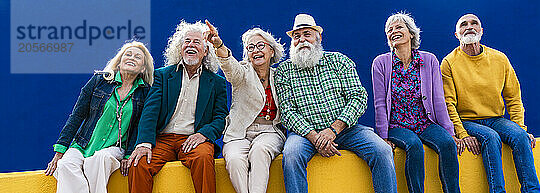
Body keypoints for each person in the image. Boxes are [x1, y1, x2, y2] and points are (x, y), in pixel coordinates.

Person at [276, 13, 397, 193]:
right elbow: (287, 111)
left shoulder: (339, 61)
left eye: (307, 34)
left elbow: (358, 97)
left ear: (319, 37)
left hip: (346, 129)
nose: (302, 40)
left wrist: (333, 130)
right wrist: (316, 137)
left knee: (382, 151)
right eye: (296, 36)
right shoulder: (284, 71)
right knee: (292, 155)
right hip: (305, 135)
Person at [440, 13, 540, 193]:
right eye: (463, 24)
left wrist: (519, 127)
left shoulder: (499, 59)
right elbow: (448, 104)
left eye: (474, 23)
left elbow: (514, 97)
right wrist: (462, 133)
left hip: (496, 118)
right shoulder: (448, 63)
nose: (469, 27)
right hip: (467, 120)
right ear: (456, 34)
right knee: (491, 138)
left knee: (521, 137)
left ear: (481, 31)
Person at [126, 20, 228, 193]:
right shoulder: (162, 75)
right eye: (186, 41)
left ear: (205, 51)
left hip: (193, 138)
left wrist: (204, 134)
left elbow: (221, 118)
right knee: (139, 163)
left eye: (196, 42)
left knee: (204, 157)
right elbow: (150, 111)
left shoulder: (217, 82)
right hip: (162, 140)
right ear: (180, 48)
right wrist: (143, 142)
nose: (190, 45)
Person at [44, 41, 154, 193]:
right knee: (65, 165)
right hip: (83, 144)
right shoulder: (98, 81)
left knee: (99, 160)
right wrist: (60, 150)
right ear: (119, 61)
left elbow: (139, 127)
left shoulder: (145, 93)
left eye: (137, 57)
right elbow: (77, 115)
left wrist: (128, 154)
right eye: (128, 54)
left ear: (143, 68)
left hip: (114, 148)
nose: (131, 58)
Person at [371, 12, 460, 193]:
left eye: (398, 27)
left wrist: (449, 131)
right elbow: (380, 103)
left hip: (424, 122)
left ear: (411, 33)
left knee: (448, 144)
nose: (393, 31)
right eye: (389, 30)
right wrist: (383, 137)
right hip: (396, 125)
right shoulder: (380, 63)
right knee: (414, 145)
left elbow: (438, 100)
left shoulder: (429, 60)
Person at [205, 21, 285, 193]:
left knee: (260, 151)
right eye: (250, 47)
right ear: (247, 54)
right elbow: (229, 66)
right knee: (233, 158)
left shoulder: (281, 76)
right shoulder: (241, 72)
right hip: (239, 132)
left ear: (271, 50)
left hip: (269, 130)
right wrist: (219, 45)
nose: (256, 50)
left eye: (260, 46)